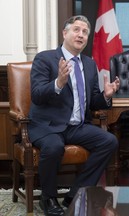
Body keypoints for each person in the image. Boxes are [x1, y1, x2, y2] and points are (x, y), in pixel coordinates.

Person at [28, 15, 120, 216]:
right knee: (54, 147)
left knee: (109, 141)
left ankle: (76, 193)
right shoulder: (45, 58)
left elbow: (93, 101)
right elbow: (36, 95)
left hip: (76, 126)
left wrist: (105, 95)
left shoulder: (88, 64)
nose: (81, 35)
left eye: (85, 32)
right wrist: (58, 83)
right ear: (65, 33)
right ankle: (49, 198)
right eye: (76, 30)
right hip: (47, 125)